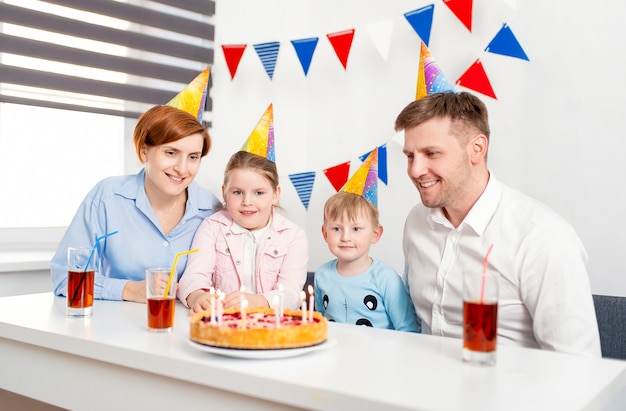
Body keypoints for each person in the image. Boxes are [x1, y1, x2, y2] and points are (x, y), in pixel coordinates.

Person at [394, 91, 601, 356]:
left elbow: (578, 366)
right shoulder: (417, 222)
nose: (414, 170)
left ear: (477, 149)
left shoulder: (542, 238)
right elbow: (411, 320)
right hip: (424, 387)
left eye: (431, 153)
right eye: (410, 156)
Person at [51, 105, 220, 302]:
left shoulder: (213, 209)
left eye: (193, 157)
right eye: (171, 153)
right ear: (144, 153)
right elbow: (65, 278)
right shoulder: (107, 197)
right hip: (116, 327)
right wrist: (129, 290)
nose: (182, 169)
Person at [178, 150, 309, 313]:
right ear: (224, 193)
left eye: (259, 193)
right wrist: (197, 296)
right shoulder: (212, 227)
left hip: (271, 326)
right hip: (223, 323)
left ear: (276, 195)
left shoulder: (293, 236)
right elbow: (194, 276)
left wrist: (258, 301)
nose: (247, 202)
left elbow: (291, 293)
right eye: (237, 192)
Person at [315, 191, 420, 332]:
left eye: (356, 229)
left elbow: (407, 328)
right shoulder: (322, 275)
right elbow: (320, 323)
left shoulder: (386, 278)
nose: (345, 237)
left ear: (375, 234)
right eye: (336, 229)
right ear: (325, 233)